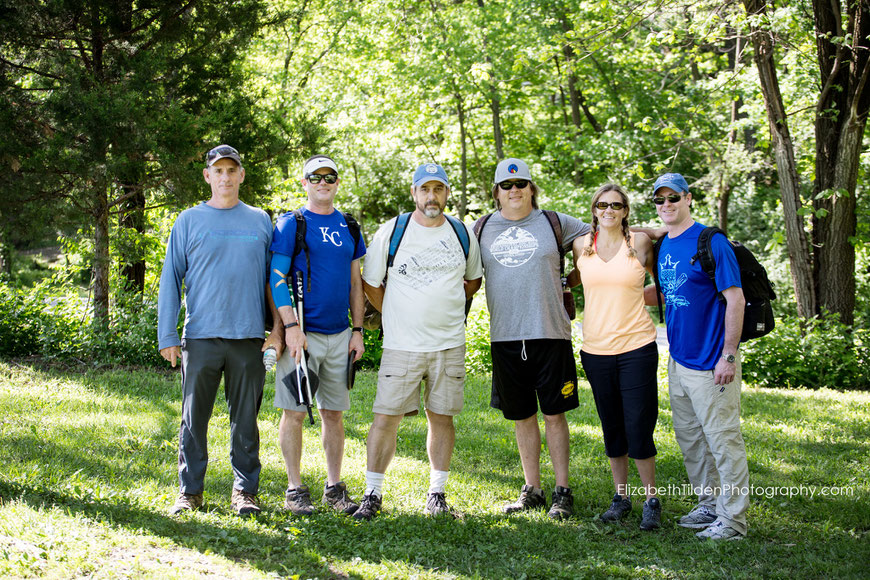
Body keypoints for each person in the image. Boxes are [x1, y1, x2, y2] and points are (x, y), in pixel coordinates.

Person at [354, 162, 483, 520]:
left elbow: (473, 280)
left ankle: (437, 494)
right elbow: (371, 283)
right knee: (385, 418)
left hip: (449, 344)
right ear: (413, 193)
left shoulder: (461, 232)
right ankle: (372, 493)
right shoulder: (392, 231)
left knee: (441, 417)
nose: (431, 196)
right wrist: (396, 313)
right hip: (402, 345)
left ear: (446, 194)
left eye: (438, 189)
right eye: (424, 189)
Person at [158, 144, 276, 517]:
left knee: (246, 419)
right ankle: (190, 491)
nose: (225, 177)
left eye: (232, 170)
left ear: (242, 175)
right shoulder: (189, 221)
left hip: (249, 338)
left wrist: (276, 331)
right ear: (208, 176)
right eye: (218, 171)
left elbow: (274, 281)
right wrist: (168, 334)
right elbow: (170, 279)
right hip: (201, 336)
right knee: (195, 418)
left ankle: (245, 492)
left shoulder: (260, 221)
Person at [476, 158, 591, 520]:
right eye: (507, 186)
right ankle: (533, 489)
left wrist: (571, 279)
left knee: (554, 414)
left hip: (551, 333)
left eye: (521, 184)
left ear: (531, 188)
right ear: (496, 192)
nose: (515, 191)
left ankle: (562, 490)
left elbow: (605, 235)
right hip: (505, 337)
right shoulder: (479, 229)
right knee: (522, 416)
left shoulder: (555, 223)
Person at [649, 172, 748, 540]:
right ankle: (709, 503)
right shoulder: (666, 243)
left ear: (688, 198)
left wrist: (729, 355)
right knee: (691, 439)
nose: (666, 206)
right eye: (659, 200)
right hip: (678, 360)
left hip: (712, 363)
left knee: (723, 441)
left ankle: (733, 519)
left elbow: (735, 299)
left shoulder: (711, 241)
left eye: (673, 198)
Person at [268, 155, 366, 516]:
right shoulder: (290, 224)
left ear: (338, 182)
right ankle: (295, 488)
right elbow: (276, 277)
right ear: (305, 182)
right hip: (302, 336)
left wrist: (357, 331)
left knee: (334, 414)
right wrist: (291, 328)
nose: (323, 182)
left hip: (340, 336)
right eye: (316, 177)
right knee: (294, 412)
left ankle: (334, 487)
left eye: (330, 177)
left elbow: (356, 283)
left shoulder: (350, 226)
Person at [569, 184, 661, 530]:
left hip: (637, 348)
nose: (609, 210)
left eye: (616, 205)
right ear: (593, 209)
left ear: (625, 211)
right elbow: (572, 279)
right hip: (595, 351)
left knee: (639, 424)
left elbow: (662, 283)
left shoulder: (637, 243)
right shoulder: (581, 245)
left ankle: (651, 499)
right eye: (602, 205)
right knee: (612, 427)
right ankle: (621, 497)